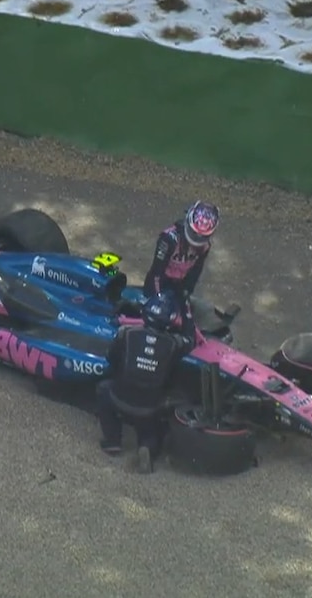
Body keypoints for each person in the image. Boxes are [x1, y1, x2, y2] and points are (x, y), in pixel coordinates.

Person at [96, 293, 194, 474]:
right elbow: (191, 338)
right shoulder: (175, 344)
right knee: (154, 423)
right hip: (149, 407)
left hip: (119, 397)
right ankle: (146, 446)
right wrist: (187, 311)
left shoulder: (125, 333)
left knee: (103, 389)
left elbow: (110, 358)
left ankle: (112, 441)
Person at [142, 200, 220, 339]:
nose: (197, 239)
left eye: (202, 236)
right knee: (158, 319)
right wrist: (158, 297)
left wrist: (186, 292)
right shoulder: (168, 239)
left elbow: (195, 272)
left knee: (187, 326)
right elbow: (156, 272)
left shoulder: (205, 246)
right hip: (160, 282)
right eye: (195, 234)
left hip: (179, 286)